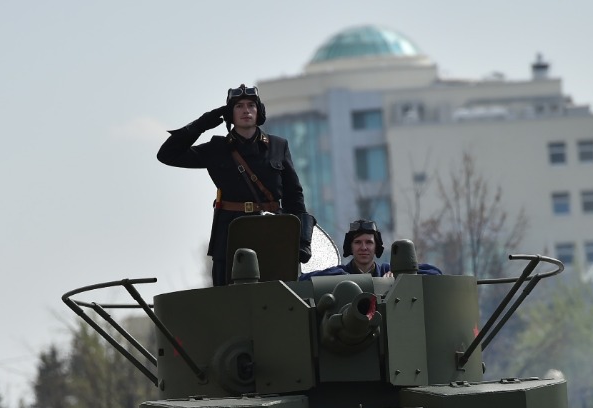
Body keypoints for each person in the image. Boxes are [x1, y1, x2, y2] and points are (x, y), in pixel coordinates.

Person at [157, 84, 311, 287]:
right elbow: (167, 155)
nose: (246, 110)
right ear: (230, 113)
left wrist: (302, 241)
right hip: (230, 235)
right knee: (229, 301)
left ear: (259, 112)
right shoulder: (217, 148)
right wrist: (202, 123)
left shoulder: (277, 146)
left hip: (273, 231)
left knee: (279, 296)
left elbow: (294, 195)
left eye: (251, 105)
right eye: (239, 106)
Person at [301, 219, 442, 279]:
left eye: (369, 242)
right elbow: (304, 280)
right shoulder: (341, 273)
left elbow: (435, 273)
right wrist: (340, 278)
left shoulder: (387, 271)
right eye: (357, 242)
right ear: (350, 247)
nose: (363, 247)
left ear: (376, 247)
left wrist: (399, 276)